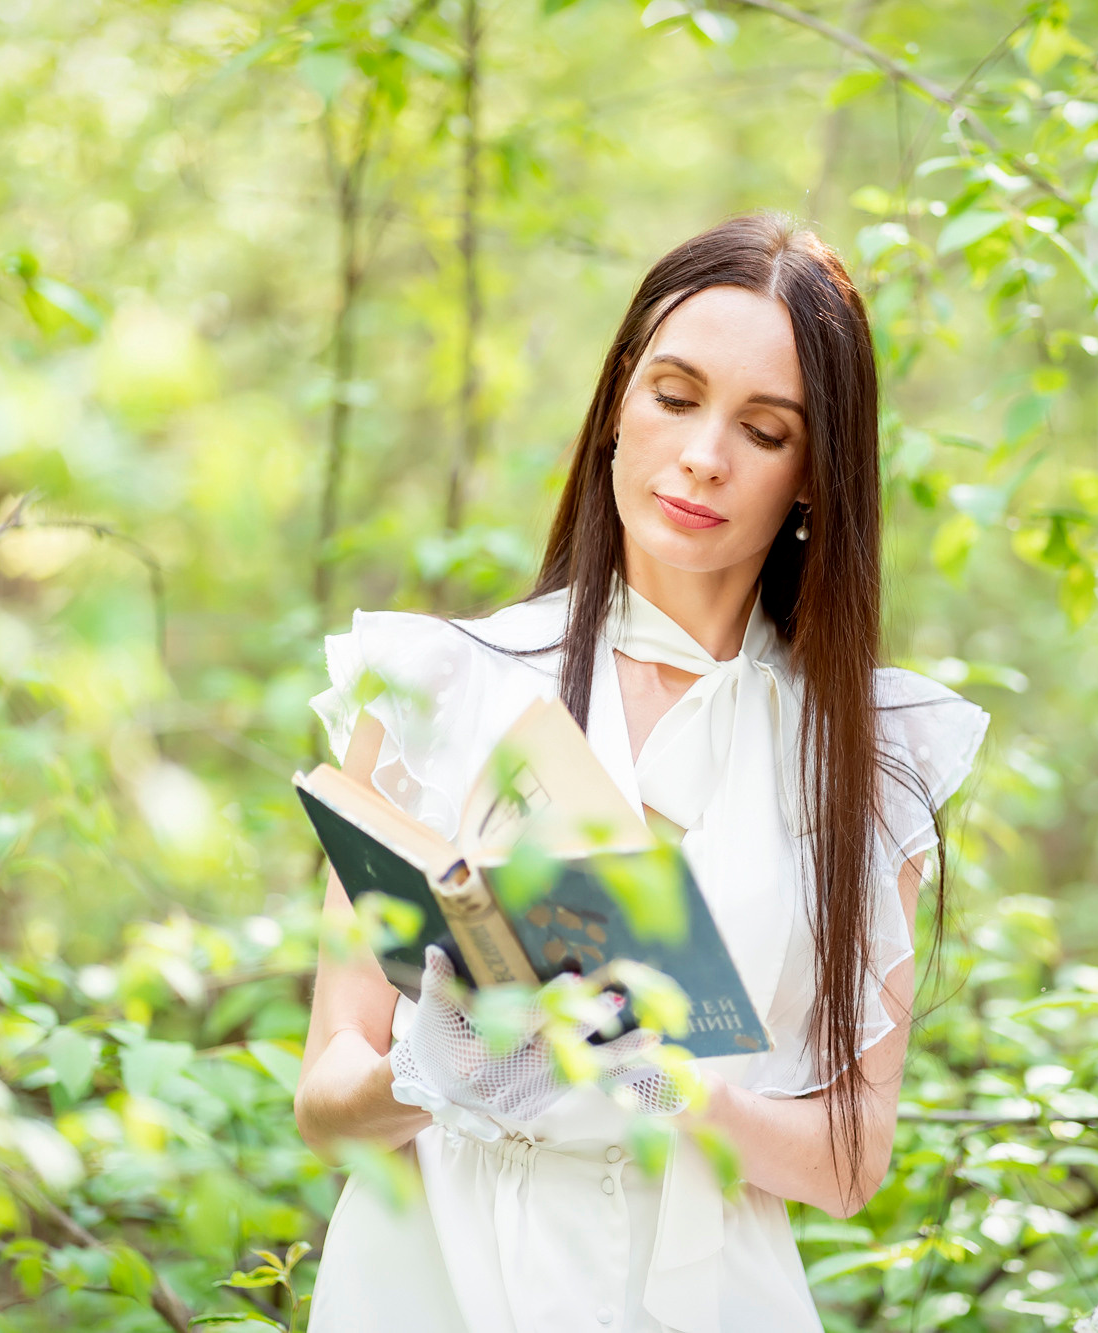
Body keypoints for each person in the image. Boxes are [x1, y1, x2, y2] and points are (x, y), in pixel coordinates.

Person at [293, 213, 988, 1333]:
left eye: (763, 430)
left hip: (699, 1290)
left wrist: (662, 1082)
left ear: (812, 475)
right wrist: (428, 1070)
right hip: (430, 1278)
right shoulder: (437, 686)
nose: (703, 454)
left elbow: (847, 1162)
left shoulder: (864, 751)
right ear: (617, 402)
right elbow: (325, 1105)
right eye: (673, 397)